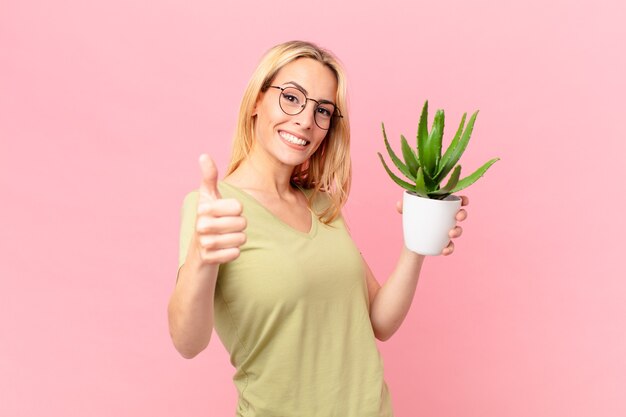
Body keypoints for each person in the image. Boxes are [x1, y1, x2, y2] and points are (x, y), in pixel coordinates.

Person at [168, 40, 467, 417]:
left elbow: (379, 321)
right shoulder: (213, 208)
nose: (306, 120)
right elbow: (187, 342)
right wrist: (201, 257)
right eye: (292, 98)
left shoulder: (322, 204)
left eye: (322, 110)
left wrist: (417, 240)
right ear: (257, 100)